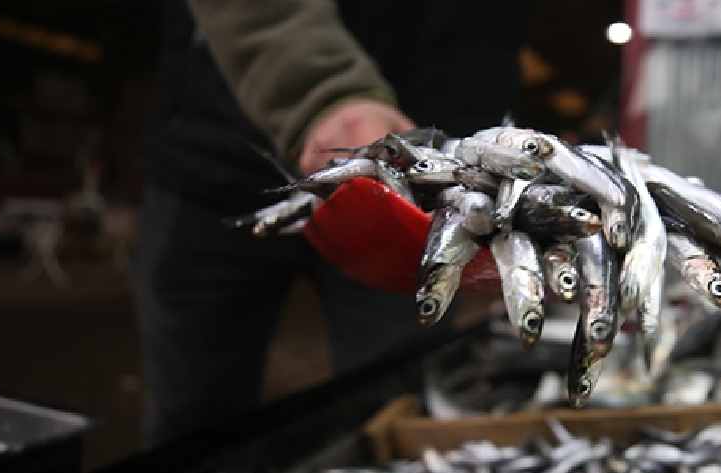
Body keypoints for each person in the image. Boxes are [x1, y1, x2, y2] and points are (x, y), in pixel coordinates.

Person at [135, 0, 523, 446]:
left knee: (391, 417)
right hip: (216, 167)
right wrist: (323, 92)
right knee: (190, 432)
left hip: (423, 210)